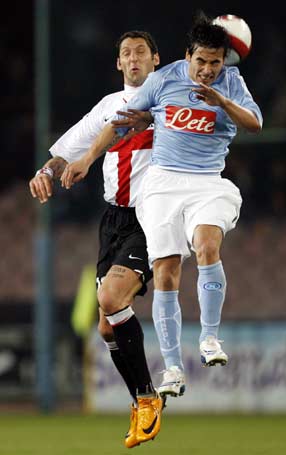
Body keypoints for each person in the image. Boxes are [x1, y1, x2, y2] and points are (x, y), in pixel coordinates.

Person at [60, 11, 262, 398]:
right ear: (187, 56)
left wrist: (221, 100)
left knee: (207, 245)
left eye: (214, 63)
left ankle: (209, 339)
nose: (206, 70)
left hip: (208, 184)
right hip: (163, 186)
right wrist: (85, 159)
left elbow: (254, 123)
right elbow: (120, 121)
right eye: (200, 61)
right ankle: (172, 368)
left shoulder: (231, 82)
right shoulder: (163, 79)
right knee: (166, 272)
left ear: (224, 61)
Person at [29, 30, 164, 449]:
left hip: (152, 217)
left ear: (156, 60)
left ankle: (147, 398)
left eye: (141, 51)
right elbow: (66, 150)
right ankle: (142, 398)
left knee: (110, 300)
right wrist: (46, 172)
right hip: (113, 221)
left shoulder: (168, 102)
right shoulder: (108, 108)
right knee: (106, 329)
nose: (134, 57)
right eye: (126, 53)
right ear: (119, 64)